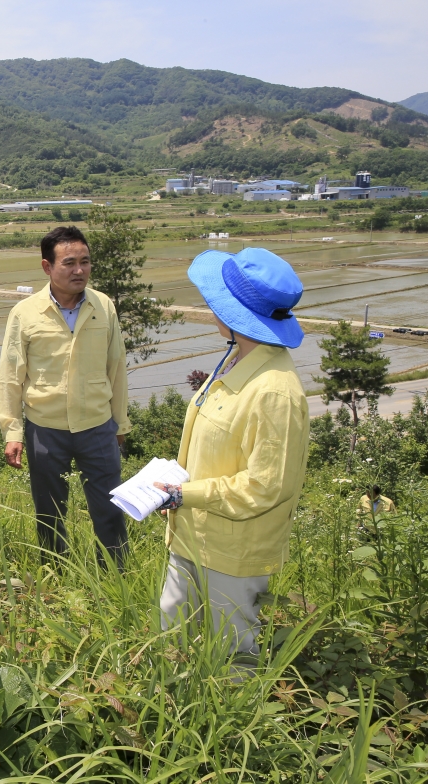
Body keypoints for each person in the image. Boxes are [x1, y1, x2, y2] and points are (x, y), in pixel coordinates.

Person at [154, 247, 310, 660]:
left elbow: (265, 486)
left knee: (232, 654)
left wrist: (185, 494)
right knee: (171, 638)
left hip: (233, 550)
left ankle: (230, 720)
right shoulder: (235, 358)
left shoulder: (275, 391)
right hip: (189, 534)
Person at [0, 226, 131, 567]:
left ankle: (116, 573)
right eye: (69, 263)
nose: (79, 270)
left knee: (110, 508)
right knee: (49, 510)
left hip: (97, 425)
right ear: (47, 267)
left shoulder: (104, 307)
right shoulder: (25, 314)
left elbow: (117, 368)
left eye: (85, 262)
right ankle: (56, 572)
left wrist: (121, 422)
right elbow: (11, 377)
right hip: (45, 428)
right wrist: (12, 431)